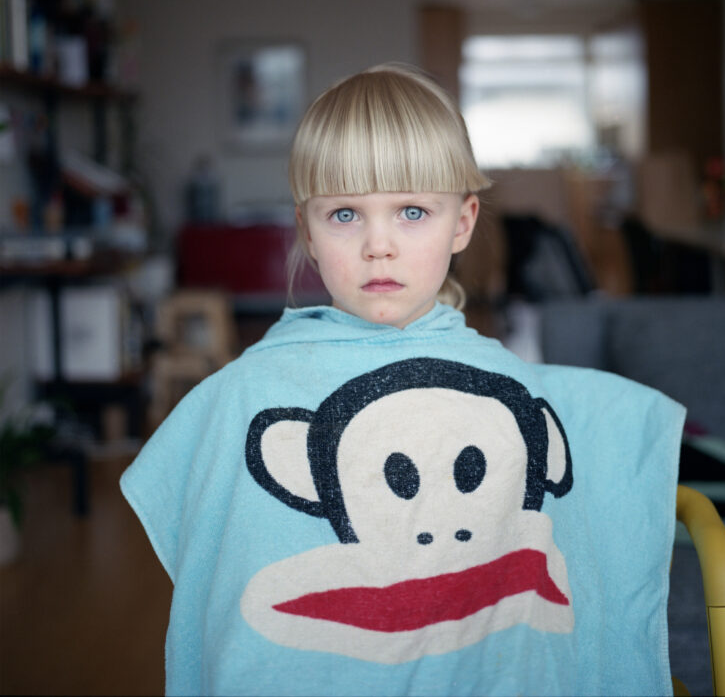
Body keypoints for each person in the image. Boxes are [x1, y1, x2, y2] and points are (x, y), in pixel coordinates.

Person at [121, 64, 684, 696]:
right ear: (306, 228)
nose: (378, 245)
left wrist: (631, 425)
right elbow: (217, 558)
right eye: (344, 216)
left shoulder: (508, 382)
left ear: (463, 222)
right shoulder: (246, 392)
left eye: (412, 211)